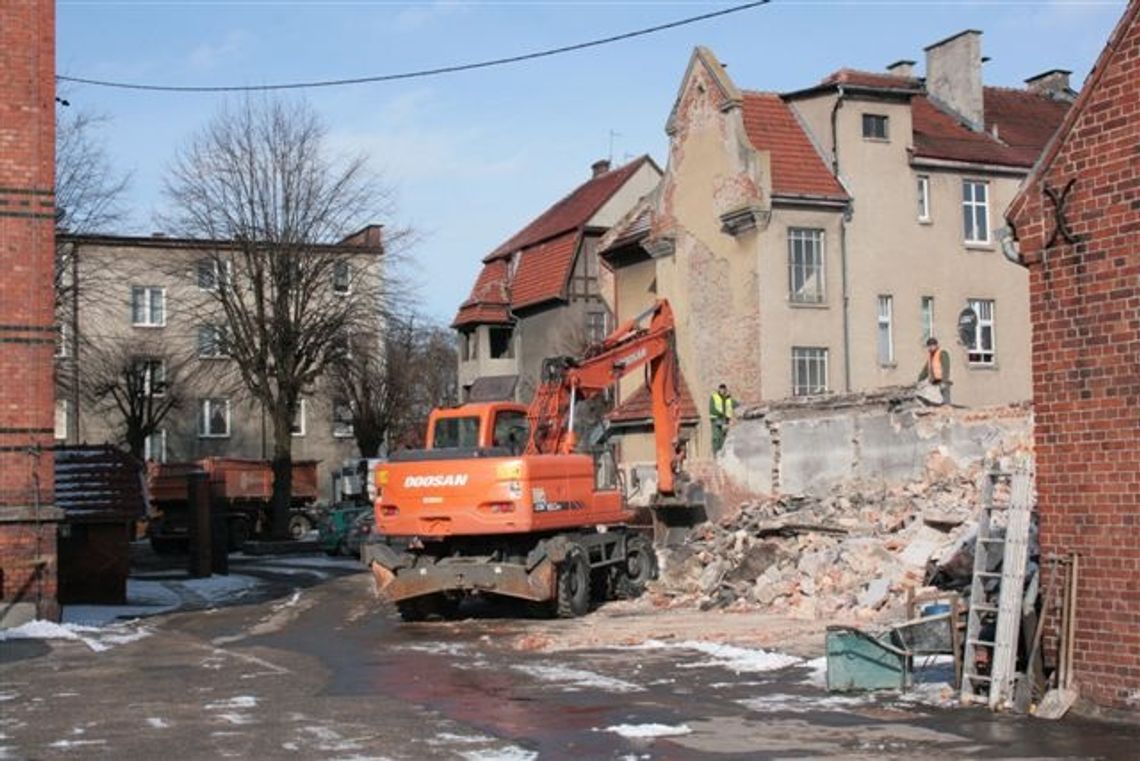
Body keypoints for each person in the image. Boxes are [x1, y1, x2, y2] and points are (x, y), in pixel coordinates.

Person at [917, 337, 952, 405]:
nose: (930, 347)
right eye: (929, 346)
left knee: (946, 402)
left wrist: (944, 381)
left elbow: (946, 368)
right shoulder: (931, 356)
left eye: (932, 345)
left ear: (936, 345)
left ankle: (948, 409)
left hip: (942, 382)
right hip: (935, 383)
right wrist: (919, 380)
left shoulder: (942, 353)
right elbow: (926, 370)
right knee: (936, 403)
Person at [709, 383, 735, 454]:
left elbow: (733, 404)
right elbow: (712, 409)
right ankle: (716, 453)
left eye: (724, 389)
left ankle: (722, 453)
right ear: (719, 389)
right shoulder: (714, 397)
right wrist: (720, 413)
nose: (723, 391)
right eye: (721, 389)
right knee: (716, 437)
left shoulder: (727, 398)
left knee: (724, 437)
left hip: (725, 420)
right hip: (716, 419)